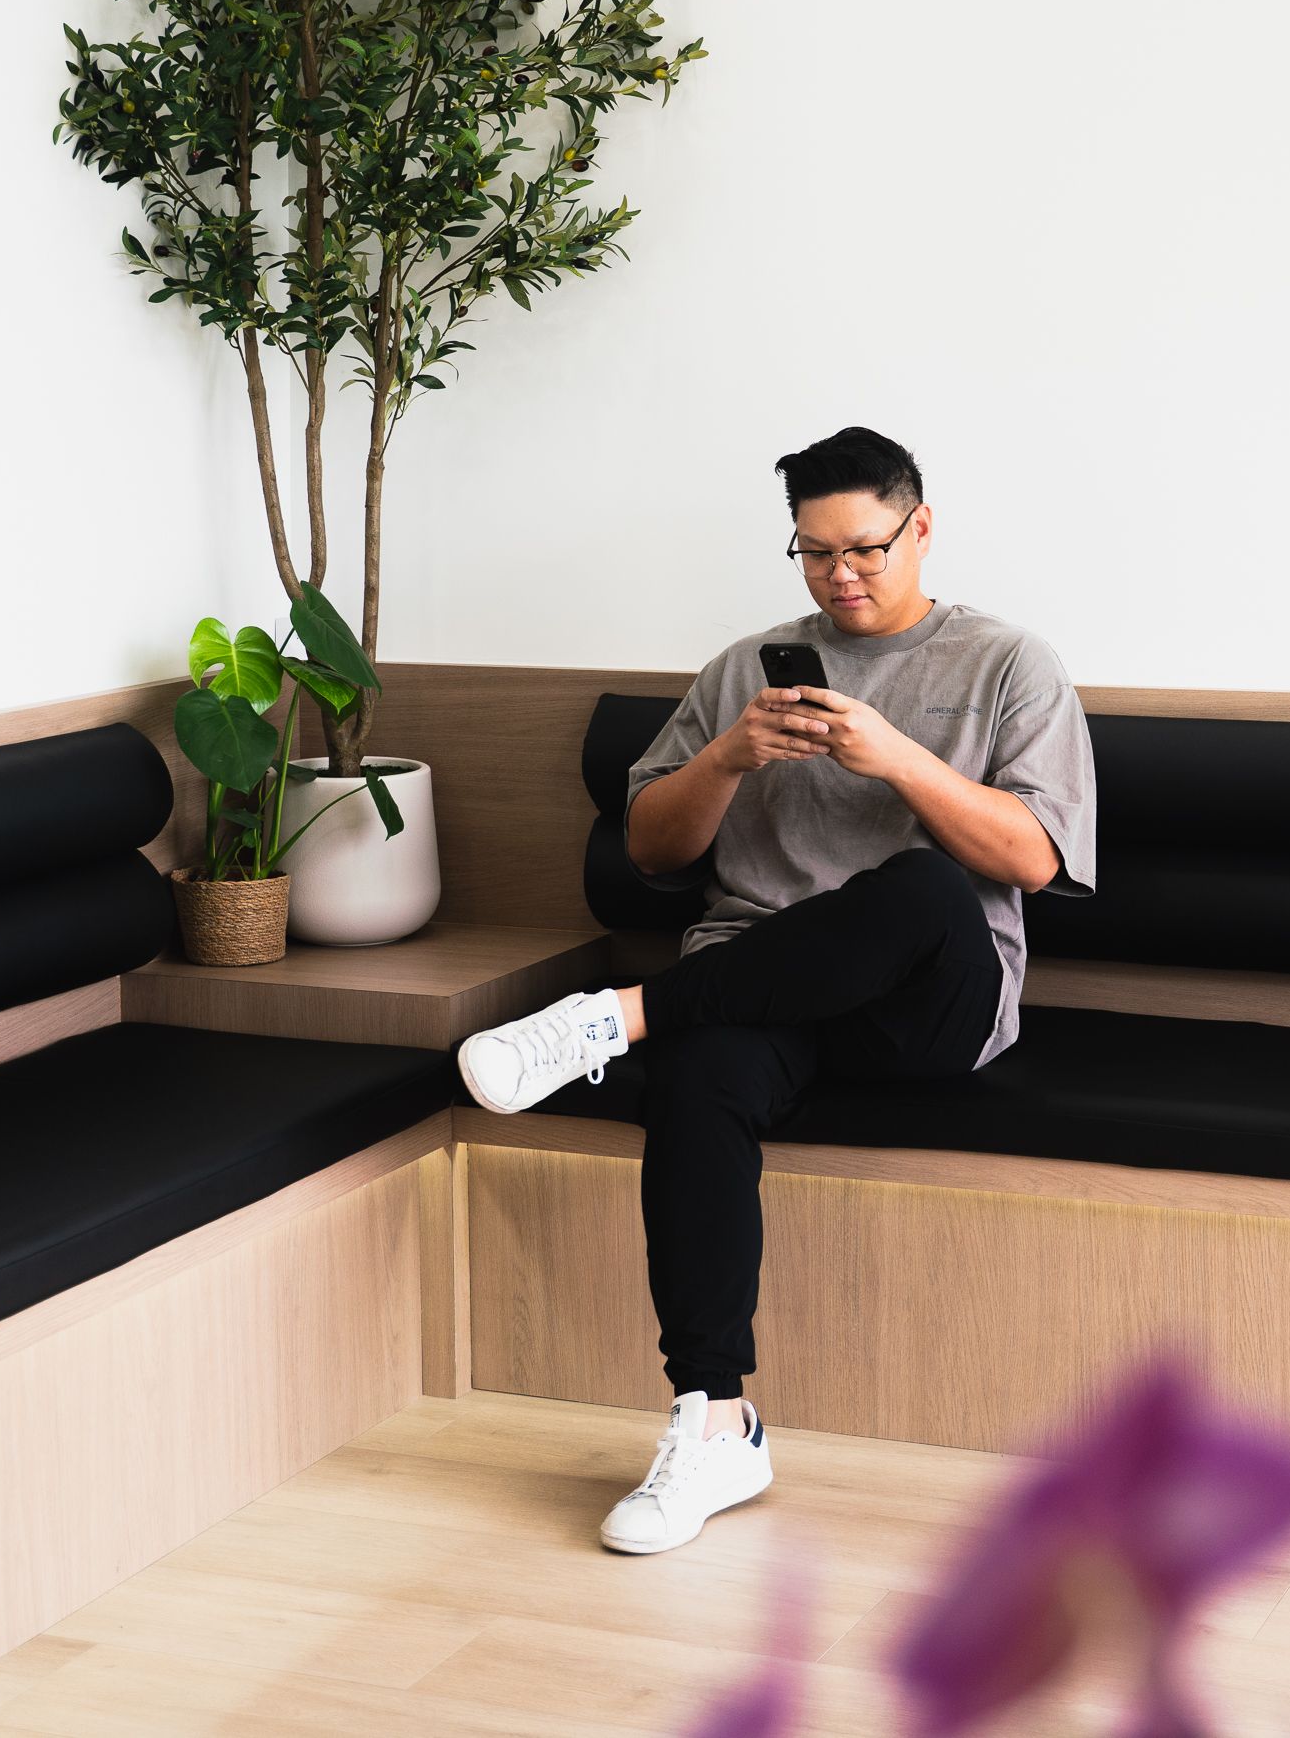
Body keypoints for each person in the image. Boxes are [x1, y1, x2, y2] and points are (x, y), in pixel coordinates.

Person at [453, 425, 1097, 1552]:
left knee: (923, 888)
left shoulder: (1009, 664)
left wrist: (897, 759)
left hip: (926, 1008)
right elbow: (651, 849)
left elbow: (1034, 861)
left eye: (864, 549)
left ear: (921, 527)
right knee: (698, 1083)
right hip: (756, 991)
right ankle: (714, 1422)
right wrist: (727, 758)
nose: (840, 576)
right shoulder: (744, 668)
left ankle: (619, 1020)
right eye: (812, 553)